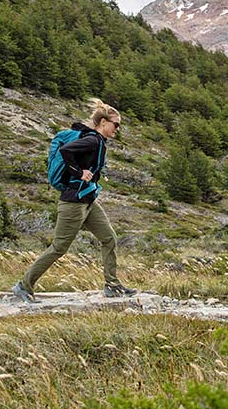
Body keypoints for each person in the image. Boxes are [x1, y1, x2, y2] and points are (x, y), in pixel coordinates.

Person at [12, 99, 138, 301]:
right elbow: (65, 151)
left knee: (109, 238)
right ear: (104, 122)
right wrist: (79, 173)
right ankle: (23, 286)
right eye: (116, 124)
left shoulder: (98, 142)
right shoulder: (92, 140)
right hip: (73, 202)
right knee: (59, 247)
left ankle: (112, 285)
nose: (117, 129)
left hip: (88, 201)